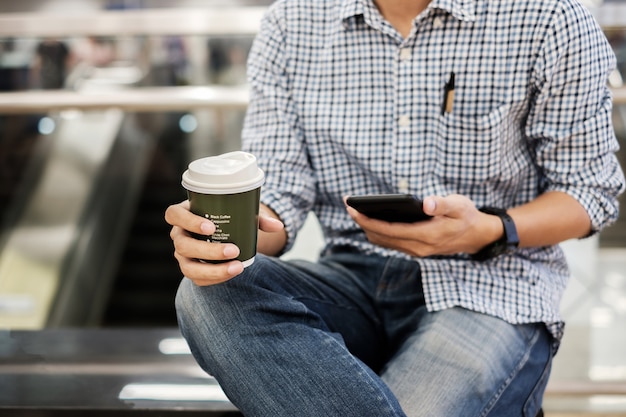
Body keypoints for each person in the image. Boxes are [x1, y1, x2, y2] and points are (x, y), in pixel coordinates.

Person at [165, 0, 625, 415]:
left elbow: (588, 192)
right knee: (206, 292)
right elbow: (280, 200)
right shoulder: (292, 22)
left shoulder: (549, 17)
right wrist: (223, 239)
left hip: (492, 284)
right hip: (351, 276)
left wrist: (488, 228)